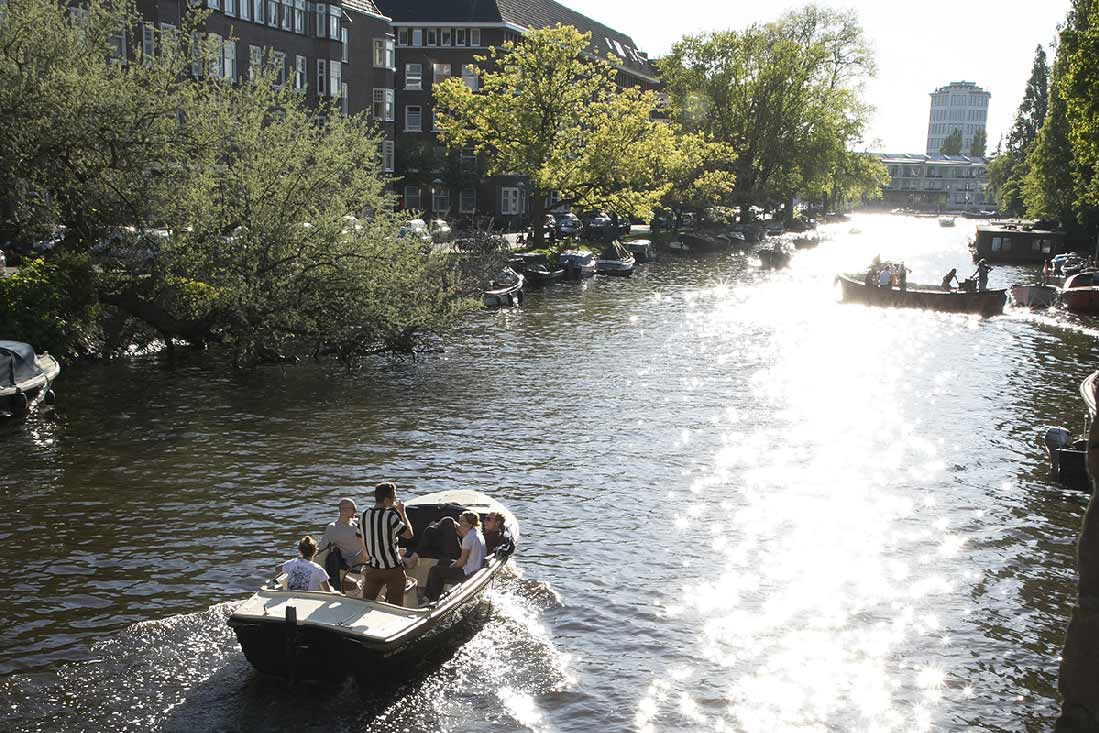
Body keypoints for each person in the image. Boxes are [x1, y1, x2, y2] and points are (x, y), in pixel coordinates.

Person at [360, 482, 414, 605]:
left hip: (372, 568)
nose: (395, 499)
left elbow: (359, 536)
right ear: (386, 499)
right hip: (393, 569)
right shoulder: (390, 516)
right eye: (394, 497)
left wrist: (367, 552)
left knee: (365, 604)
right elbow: (409, 534)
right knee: (395, 606)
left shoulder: (364, 514)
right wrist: (402, 513)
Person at [424, 511, 486, 602]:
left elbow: (462, 562)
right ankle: (437, 591)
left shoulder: (468, 538)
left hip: (468, 572)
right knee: (443, 562)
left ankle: (431, 599)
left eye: (461, 521)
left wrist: (451, 568)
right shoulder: (477, 533)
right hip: (476, 568)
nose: (459, 523)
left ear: (468, 524)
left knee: (435, 570)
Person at [321, 498, 363, 593]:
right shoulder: (334, 528)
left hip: (364, 556)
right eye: (353, 508)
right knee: (366, 552)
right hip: (352, 561)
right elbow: (322, 547)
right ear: (343, 510)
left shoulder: (356, 523)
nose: (355, 511)